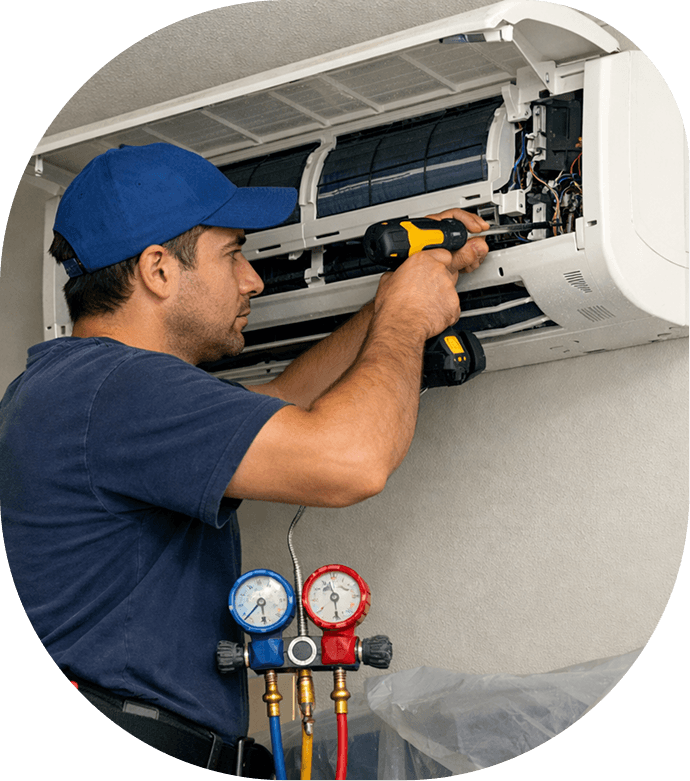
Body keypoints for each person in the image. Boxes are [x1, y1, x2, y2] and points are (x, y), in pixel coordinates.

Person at [0, 143, 488, 775]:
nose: (253, 278)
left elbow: (288, 400)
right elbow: (352, 461)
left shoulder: (83, 388)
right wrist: (404, 315)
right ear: (158, 270)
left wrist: (391, 298)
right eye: (232, 254)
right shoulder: (118, 390)